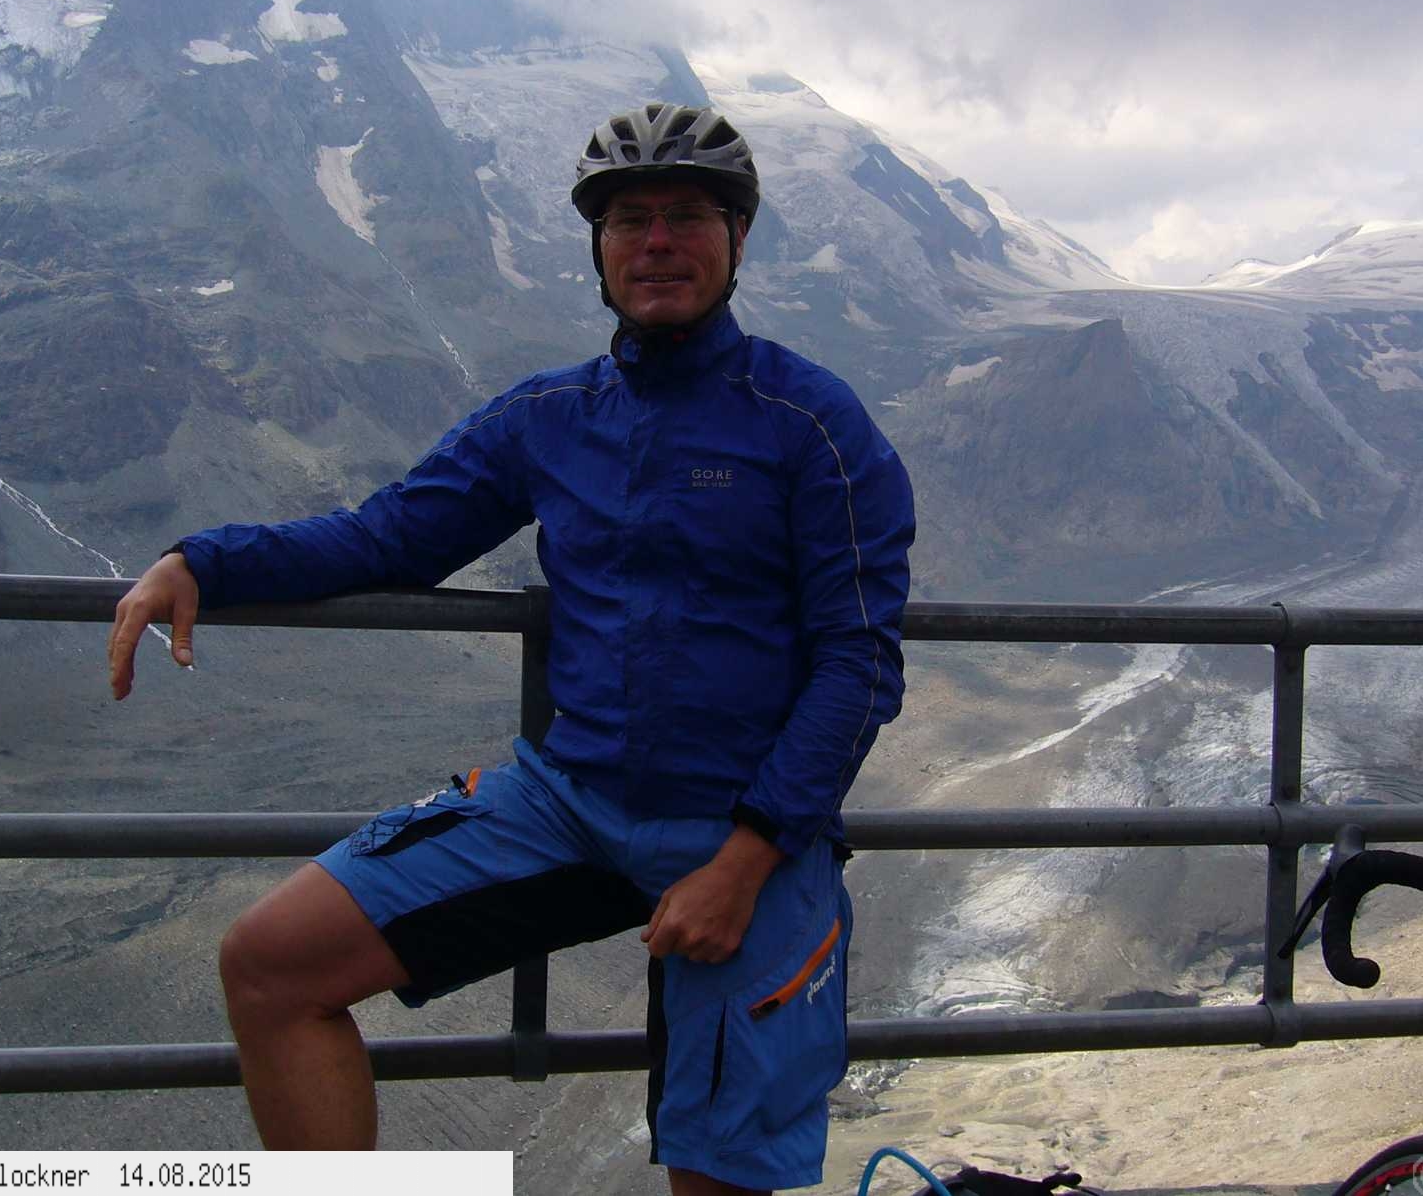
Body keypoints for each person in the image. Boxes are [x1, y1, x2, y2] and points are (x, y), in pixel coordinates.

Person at [108, 102, 915, 1194]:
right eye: (628, 220)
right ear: (597, 247)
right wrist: (204, 561)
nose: (657, 242)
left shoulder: (811, 423)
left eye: (687, 216)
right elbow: (392, 535)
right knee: (270, 965)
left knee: (714, 1172)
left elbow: (858, 663)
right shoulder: (549, 417)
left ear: (736, 238)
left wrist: (744, 862)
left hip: (746, 825)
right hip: (569, 800)